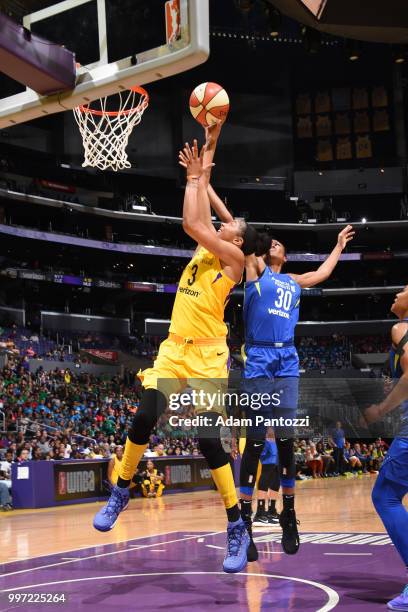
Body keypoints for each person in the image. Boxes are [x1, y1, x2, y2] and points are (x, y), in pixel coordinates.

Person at [93, 123, 265, 574]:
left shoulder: (228, 259)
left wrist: (195, 178)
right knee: (145, 416)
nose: (226, 222)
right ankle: (121, 490)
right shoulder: (214, 244)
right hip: (174, 349)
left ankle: (234, 525)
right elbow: (204, 193)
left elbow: (192, 218)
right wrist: (212, 138)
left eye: (233, 225)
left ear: (238, 241)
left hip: (208, 355)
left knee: (209, 441)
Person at [203, 212, 353, 557]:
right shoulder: (254, 269)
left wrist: (338, 246)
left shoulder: (294, 281)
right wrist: (212, 194)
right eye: (269, 242)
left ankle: (289, 513)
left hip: (287, 359)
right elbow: (243, 231)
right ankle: (245, 521)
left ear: (284, 256)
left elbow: (325, 272)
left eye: (279, 244)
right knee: (255, 442)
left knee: (286, 440)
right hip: (258, 357)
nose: (273, 244)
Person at [363, 285, 408, 611]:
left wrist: (381, 409)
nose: (397, 293)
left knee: (385, 496)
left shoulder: (402, 327)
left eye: (404, 290)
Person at [253, 432, 280, 525]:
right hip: (265, 438)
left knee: (276, 478)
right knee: (267, 472)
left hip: (275, 440)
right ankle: (260, 512)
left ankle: (271, 511)